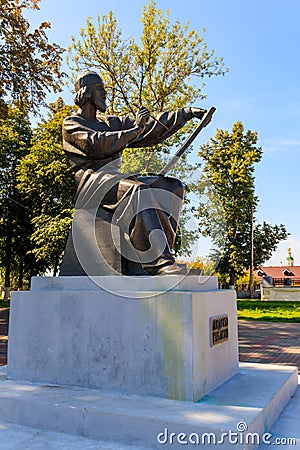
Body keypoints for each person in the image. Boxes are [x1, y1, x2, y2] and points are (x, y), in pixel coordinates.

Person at [62, 70, 207, 275]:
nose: (105, 94)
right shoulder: (72, 124)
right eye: (100, 89)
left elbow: (150, 127)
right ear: (86, 92)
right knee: (136, 191)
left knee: (171, 187)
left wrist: (185, 113)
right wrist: (134, 131)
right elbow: (97, 145)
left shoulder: (111, 123)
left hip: (114, 180)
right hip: (93, 184)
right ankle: (160, 263)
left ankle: (159, 251)